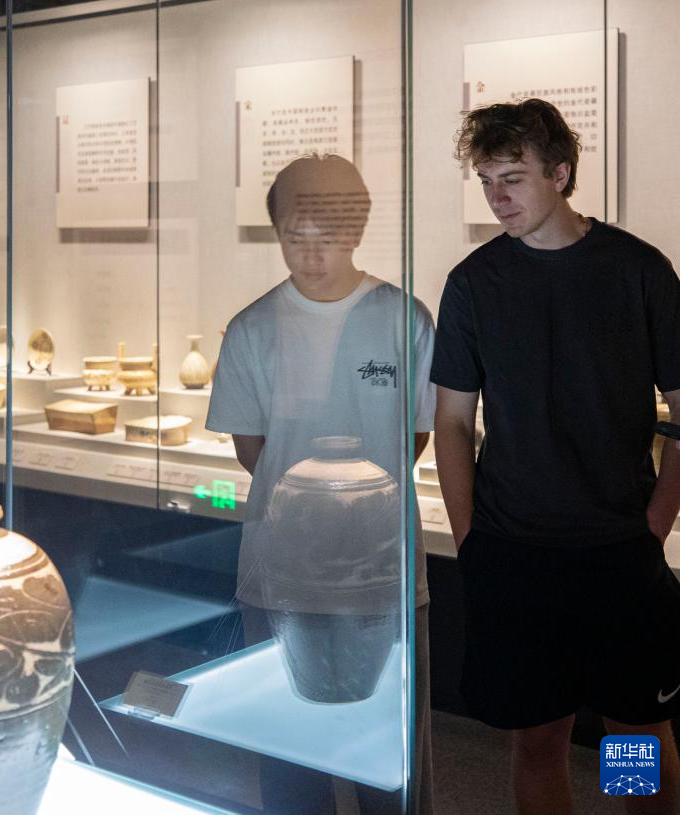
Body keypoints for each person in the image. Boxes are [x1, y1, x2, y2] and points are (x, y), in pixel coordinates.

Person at [431, 97, 680, 814]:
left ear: (560, 173)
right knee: (538, 737)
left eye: (512, 178)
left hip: (619, 550)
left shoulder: (637, 271)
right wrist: (470, 537)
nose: (497, 197)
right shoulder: (473, 283)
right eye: (486, 181)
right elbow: (452, 421)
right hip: (514, 553)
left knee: (632, 732)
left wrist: (654, 524)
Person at [206, 154, 436, 814]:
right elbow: (252, 450)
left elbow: (415, 438)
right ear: (278, 231)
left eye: (327, 228)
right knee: (289, 763)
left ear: (356, 227)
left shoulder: (403, 318)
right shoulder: (251, 328)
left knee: (390, 763)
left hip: (382, 575)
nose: (310, 247)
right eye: (294, 231)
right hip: (283, 574)